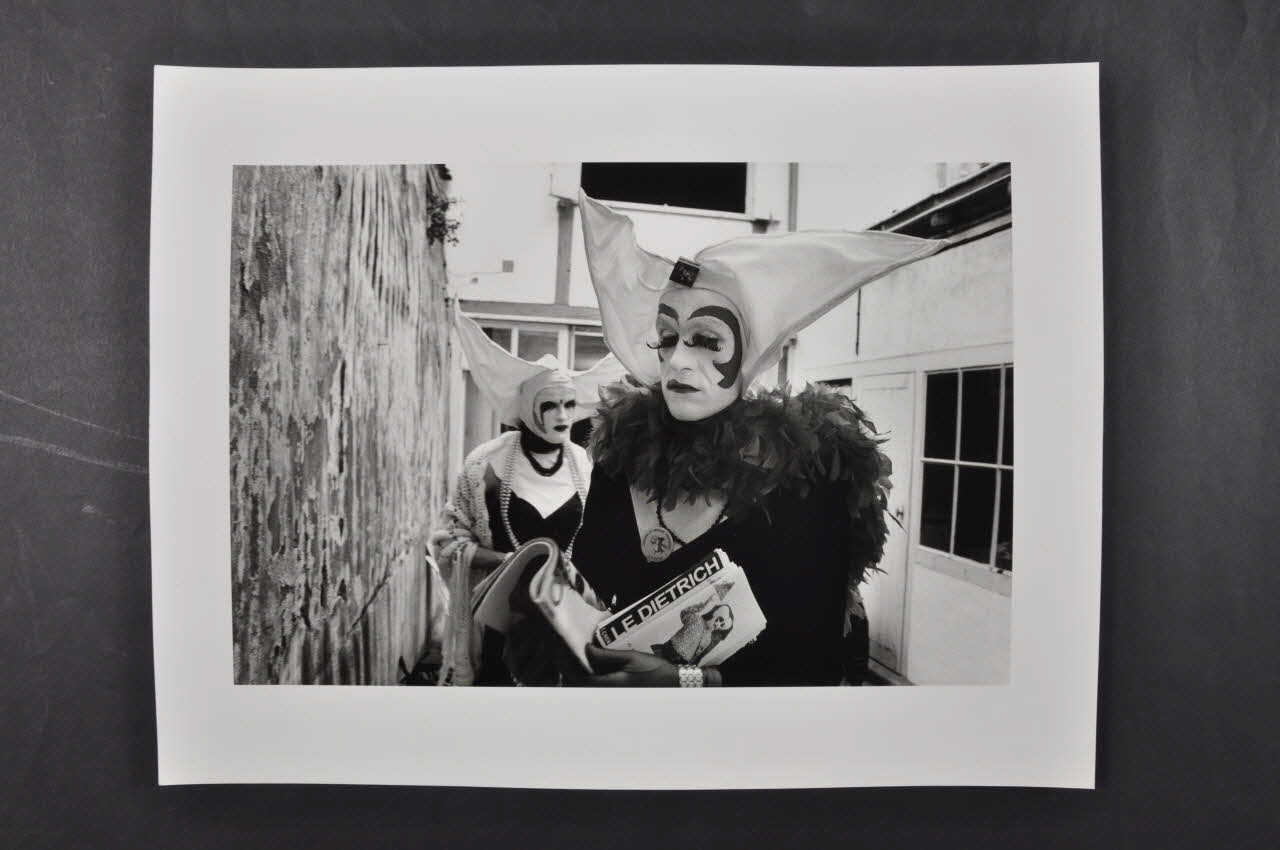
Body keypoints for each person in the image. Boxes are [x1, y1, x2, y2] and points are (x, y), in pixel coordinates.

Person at [559, 190, 945, 687]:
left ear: (750, 356)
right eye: (668, 337)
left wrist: (688, 682)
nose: (678, 360)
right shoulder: (620, 459)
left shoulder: (805, 476)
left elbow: (815, 658)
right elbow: (591, 587)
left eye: (706, 340)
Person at [428, 305, 623, 685]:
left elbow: (604, 545)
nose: (562, 415)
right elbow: (447, 543)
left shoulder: (586, 467)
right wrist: (505, 561)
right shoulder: (486, 465)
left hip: (568, 621)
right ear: (529, 409)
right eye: (550, 405)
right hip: (503, 622)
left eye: (569, 404)